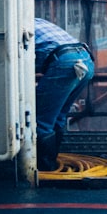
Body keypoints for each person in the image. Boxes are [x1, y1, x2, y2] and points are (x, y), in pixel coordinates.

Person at [34, 17, 94, 171]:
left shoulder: (14, 28)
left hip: (64, 62)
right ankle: (52, 159)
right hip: (85, 59)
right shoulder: (36, 20)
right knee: (58, 116)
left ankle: (45, 169)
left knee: (41, 120)